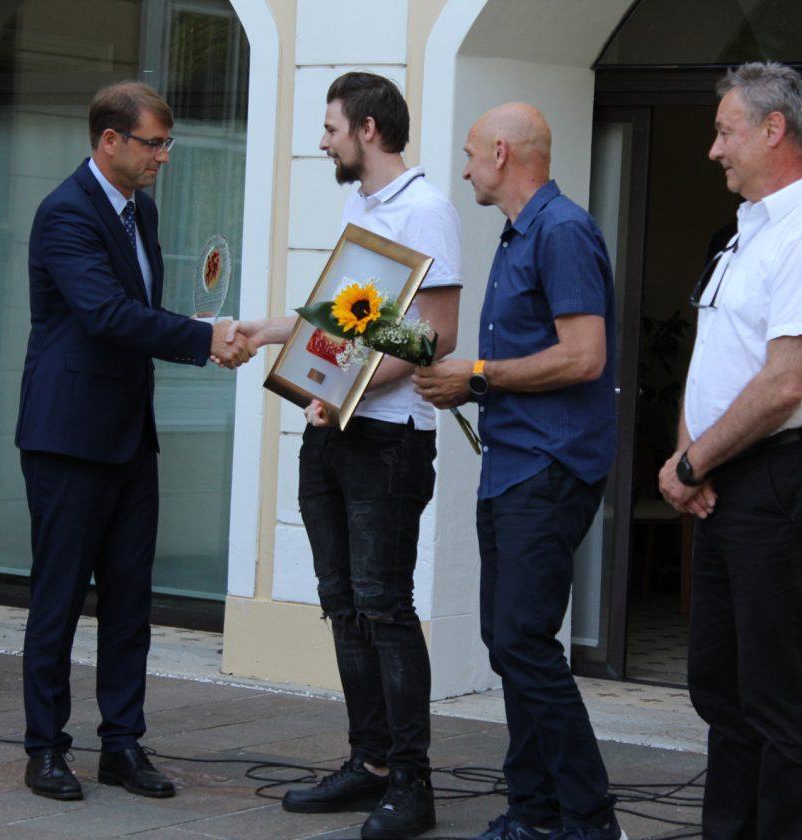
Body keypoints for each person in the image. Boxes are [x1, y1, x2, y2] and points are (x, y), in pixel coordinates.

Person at [226, 72, 461, 839]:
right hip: (334, 428)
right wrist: (269, 332)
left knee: (384, 606)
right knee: (343, 600)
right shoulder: (361, 204)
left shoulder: (426, 209)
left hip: (389, 438)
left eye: (331, 128)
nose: (323, 142)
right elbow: (350, 317)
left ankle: (413, 784)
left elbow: (435, 335)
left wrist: (348, 387)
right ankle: (371, 763)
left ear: (366, 129)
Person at [16, 81, 252, 802]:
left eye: (167, 143)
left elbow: (137, 313)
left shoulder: (139, 210)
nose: (165, 156)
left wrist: (199, 329)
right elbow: (107, 315)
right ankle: (44, 749)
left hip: (128, 437)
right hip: (68, 438)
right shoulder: (65, 212)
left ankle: (122, 744)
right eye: (154, 143)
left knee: (129, 602)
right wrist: (204, 340)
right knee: (59, 600)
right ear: (110, 141)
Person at [657, 62, 802, 839]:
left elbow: (784, 383)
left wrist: (692, 463)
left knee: (774, 697)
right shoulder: (748, 235)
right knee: (720, 687)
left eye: (725, 131)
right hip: (726, 476)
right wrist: (690, 454)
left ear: (774, 130)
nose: (714, 149)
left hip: (779, 476)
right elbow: (717, 360)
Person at [414, 103, 625, 840]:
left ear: (502, 153)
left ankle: (589, 821)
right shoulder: (521, 233)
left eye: (472, 153)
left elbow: (584, 356)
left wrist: (476, 376)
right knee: (511, 645)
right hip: (514, 466)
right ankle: (535, 813)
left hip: (549, 466)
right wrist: (469, 381)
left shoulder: (561, 230)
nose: (465, 169)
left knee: (523, 643)